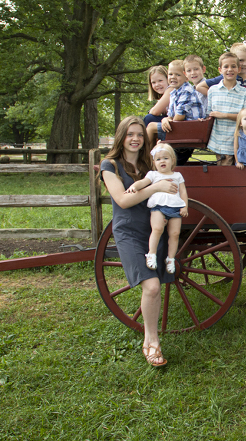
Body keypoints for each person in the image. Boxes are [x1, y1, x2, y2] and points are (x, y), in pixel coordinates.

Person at [100, 116, 180, 367]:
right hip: (129, 232)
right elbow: (123, 200)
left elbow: (172, 180)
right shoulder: (110, 165)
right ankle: (151, 341)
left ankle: (151, 337)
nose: (135, 139)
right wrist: (155, 188)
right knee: (153, 286)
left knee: (154, 285)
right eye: (129, 134)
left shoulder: (150, 164)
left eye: (139, 135)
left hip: (154, 229)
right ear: (121, 137)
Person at [126, 143, 189, 274]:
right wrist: (135, 187)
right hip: (158, 208)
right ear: (154, 162)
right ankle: (151, 254)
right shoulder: (153, 175)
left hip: (176, 208)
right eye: (158, 159)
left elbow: (183, 192)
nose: (162, 161)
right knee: (157, 229)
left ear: (172, 160)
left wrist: (185, 206)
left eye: (165, 158)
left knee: (175, 234)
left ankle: (170, 259)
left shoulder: (177, 176)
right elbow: (143, 182)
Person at [205, 52, 246, 166]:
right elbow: (209, 115)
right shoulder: (212, 90)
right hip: (217, 140)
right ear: (220, 69)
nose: (229, 69)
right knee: (222, 171)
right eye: (226, 66)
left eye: (233, 66)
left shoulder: (244, 93)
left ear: (238, 69)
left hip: (237, 141)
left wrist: (223, 115)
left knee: (232, 173)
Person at [146, 60, 205, 146]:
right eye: (170, 74)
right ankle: (150, 156)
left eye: (178, 75)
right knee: (152, 126)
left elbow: (180, 115)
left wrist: (169, 121)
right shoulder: (174, 92)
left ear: (186, 77)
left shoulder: (186, 90)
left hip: (190, 128)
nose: (173, 77)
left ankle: (144, 156)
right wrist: (166, 119)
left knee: (151, 127)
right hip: (183, 126)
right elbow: (171, 114)